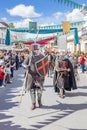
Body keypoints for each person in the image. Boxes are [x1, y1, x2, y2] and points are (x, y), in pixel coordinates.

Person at [22, 43, 48, 110]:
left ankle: (39, 102)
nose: (35, 50)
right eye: (34, 49)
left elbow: (45, 64)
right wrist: (26, 66)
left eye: (36, 49)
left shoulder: (42, 56)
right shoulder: (29, 56)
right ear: (32, 49)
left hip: (39, 75)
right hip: (31, 75)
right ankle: (33, 103)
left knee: (39, 90)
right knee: (32, 90)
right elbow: (24, 64)